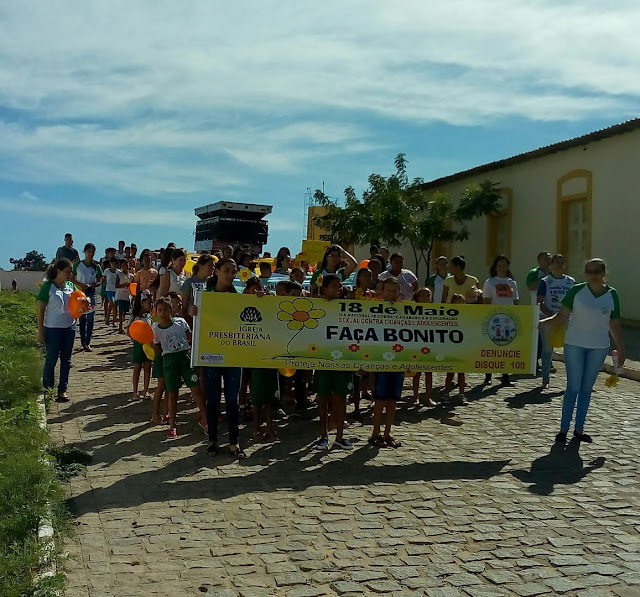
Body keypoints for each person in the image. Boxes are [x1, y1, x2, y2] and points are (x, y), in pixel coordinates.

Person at [541, 258, 625, 444]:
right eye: (590, 272)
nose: (593, 275)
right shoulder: (577, 290)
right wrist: (543, 323)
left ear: (603, 273)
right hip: (574, 344)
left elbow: (614, 323)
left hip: (599, 346)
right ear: (585, 273)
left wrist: (620, 347)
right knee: (573, 387)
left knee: (586, 388)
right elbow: (562, 315)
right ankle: (563, 429)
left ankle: (579, 429)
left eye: (597, 272)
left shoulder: (612, 294)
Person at [196, 259, 246, 459]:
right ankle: (212, 440)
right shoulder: (204, 296)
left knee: (233, 400)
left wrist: (260, 299)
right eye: (226, 270)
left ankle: (234, 442)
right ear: (216, 271)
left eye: (233, 271)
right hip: (212, 354)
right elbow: (197, 322)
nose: (230, 275)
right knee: (213, 399)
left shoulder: (240, 296)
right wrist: (193, 312)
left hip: (234, 354)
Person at [152, 296, 207, 439]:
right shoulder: (156, 329)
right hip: (169, 362)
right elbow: (157, 348)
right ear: (156, 311)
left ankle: (205, 419)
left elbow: (190, 338)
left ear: (171, 310)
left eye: (166, 310)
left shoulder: (180, 322)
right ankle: (172, 425)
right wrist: (151, 345)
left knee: (196, 389)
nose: (163, 313)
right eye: (159, 310)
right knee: (172, 393)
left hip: (185, 358)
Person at [37, 258, 87, 403]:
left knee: (66, 360)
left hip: (69, 327)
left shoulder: (71, 286)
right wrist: (40, 331)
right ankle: (48, 389)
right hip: (53, 328)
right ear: (58, 271)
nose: (70, 274)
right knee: (51, 358)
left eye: (71, 272)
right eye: (67, 271)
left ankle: (62, 390)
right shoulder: (48, 286)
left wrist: (86, 302)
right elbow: (41, 311)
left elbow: (83, 298)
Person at [314, 274, 353, 450]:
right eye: (334, 286)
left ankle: (339, 436)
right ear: (324, 288)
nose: (338, 288)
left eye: (340, 285)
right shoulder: (316, 305)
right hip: (323, 358)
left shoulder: (348, 307)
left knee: (341, 397)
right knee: (322, 398)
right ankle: (323, 435)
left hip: (343, 358)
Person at [369, 277, 403, 448]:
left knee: (392, 401)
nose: (391, 294)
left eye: (394, 291)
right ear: (382, 291)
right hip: (381, 360)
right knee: (380, 400)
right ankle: (375, 433)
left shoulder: (404, 310)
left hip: (399, 359)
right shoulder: (374, 309)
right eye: (388, 290)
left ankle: (388, 432)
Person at [537, 254, 575, 389]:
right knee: (547, 350)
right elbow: (540, 302)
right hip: (548, 319)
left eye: (561, 262)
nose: (559, 265)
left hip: (566, 319)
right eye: (556, 262)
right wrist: (552, 316)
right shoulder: (545, 281)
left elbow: (575, 301)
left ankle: (572, 380)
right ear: (551, 265)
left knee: (570, 351)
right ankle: (545, 379)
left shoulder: (571, 282)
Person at [483, 255, 519, 385]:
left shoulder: (512, 283)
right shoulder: (489, 282)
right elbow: (486, 301)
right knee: (491, 348)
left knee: (506, 348)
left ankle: (505, 376)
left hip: (508, 319)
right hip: (493, 318)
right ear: (495, 267)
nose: (502, 268)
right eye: (499, 265)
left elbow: (515, 302)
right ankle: (488, 376)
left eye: (504, 265)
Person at [71, 242, 102, 351]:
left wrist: (93, 284)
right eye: (89, 251)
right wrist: (80, 284)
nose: (90, 254)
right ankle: (82, 341)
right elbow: (72, 278)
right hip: (80, 292)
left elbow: (100, 280)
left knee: (91, 318)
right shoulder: (78, 265)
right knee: (82, 318)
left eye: (92, 252)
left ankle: (88, 342)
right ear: (85, 252)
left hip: (91, 291)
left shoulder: (96, 266)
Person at [411, 288, 435, 406]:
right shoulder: (412, 310)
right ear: (418, 298)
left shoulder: (435, 311)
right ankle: (415, 396)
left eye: (428, 295)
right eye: (423, 295)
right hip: (416, 345)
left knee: (429, 373)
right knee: (416, 373)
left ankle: (427, 397)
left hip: (429, 345)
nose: (426, 298)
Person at [442, 293, 468, 403]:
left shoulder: (467, 316)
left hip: (462, 347)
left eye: (462, 303)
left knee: (461, 373)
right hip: (452, 347)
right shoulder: (448, 316)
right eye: (457, 303)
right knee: (450, 372)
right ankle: (446, 392)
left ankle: (461, 394)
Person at [128, 290, 153, 401]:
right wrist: (135, 336)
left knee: (147, 367)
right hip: (138, 344)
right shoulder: (134, 317)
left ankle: (146, 390)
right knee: (137, 368)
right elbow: (128, 330)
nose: (151, 305)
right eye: (149, 303)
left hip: (148, 345)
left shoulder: (150, 316)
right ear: (142, 303)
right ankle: (135, 391)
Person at [181, 254, 215, 325]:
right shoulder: (189, 282)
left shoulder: (213, 283)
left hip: (208, 320)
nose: (213, 268)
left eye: (213, 266)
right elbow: (184, 305)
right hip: (192, 320)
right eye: (210, 265)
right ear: (200, 266)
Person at [115, 259, 133, 334]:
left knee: (125, 311)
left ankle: (122, 323)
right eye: (124, 265)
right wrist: (123, 285)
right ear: (121, 267)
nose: (126, 266)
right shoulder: (119, 274)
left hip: (127, 296)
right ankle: (120, 326)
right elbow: (116, 285)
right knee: (121, 311)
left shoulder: (131, 276)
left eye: (126, 265)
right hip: (120, 295)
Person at [103, 258, 119, 327]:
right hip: (109, 289)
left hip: (116, 290)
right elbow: (104, 279)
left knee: (115, 306)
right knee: (111, 303)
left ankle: (114, 321)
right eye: (112, 263)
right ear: (110, 263)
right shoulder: (107, 271)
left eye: (115, 263)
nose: (114, 265)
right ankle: (107, 317)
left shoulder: (118, 272)